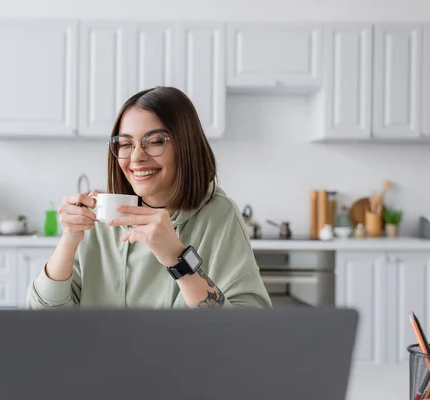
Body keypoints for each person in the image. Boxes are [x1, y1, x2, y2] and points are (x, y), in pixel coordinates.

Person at [27, 86, 272, 309]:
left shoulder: (218, 215)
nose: (136, 157)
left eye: (155, 141)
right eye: (125, 144)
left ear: (186, 146)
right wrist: (69, 239)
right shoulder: (104, 216)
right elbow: (43, 319)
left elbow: (245, 331)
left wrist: (178, 258)